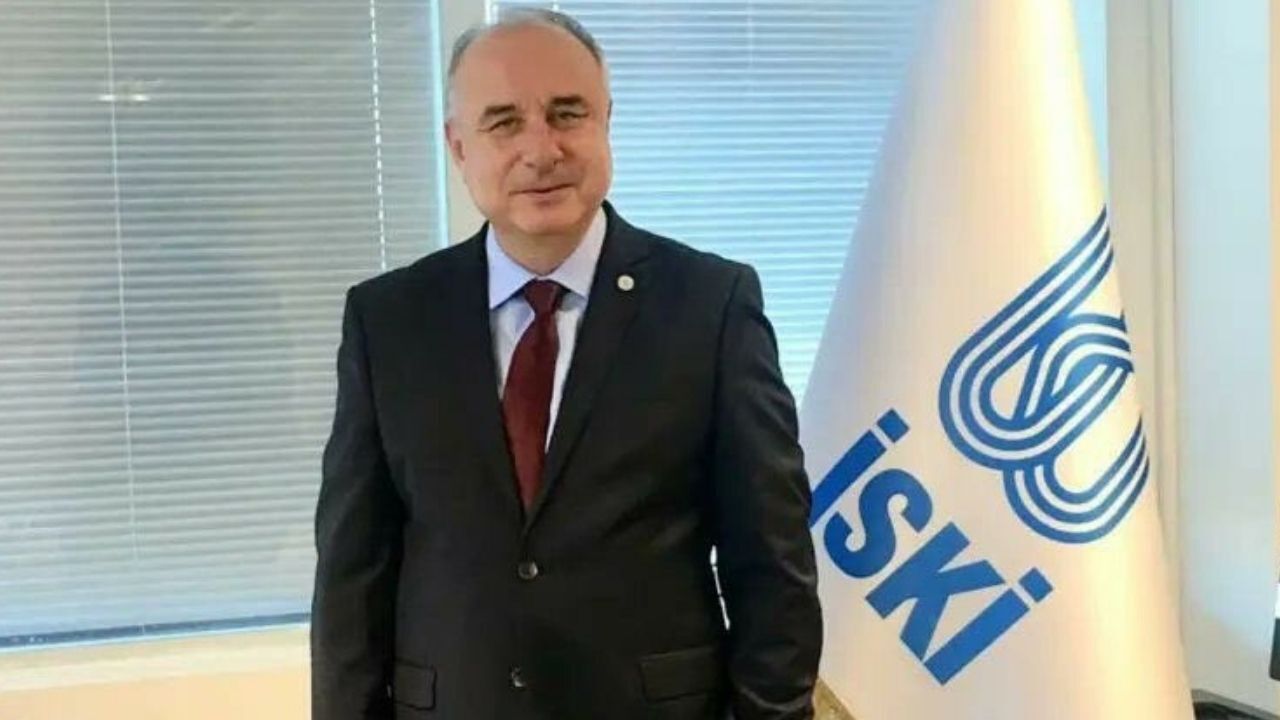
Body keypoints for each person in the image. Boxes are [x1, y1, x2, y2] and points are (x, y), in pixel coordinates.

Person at [310, 9, 822, 719]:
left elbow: (772, 566)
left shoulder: (711, 306)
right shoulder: (388, 320)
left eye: (566, 113)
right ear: (459, 147)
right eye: (503, 122)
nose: (540, 149)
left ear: (606, 121)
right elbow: (351, 576)